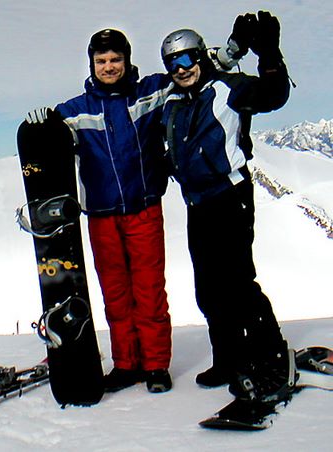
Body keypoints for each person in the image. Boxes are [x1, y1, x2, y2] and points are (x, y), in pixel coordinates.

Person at [25, 28, 242, 394]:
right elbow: (48, 140)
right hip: (101, 215)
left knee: (149, 290)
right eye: (101, 61)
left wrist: (228, 54)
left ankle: (155, 365)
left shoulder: (151, 92)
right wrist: (41, 126)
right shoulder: (75, 111)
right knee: (115, 294)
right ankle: (126, 364)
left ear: (126, 61)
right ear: (92, 65)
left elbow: (191, 71)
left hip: (144, 210)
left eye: (115, 59)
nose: (109, 67)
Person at [159, 11, 296, 401]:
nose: (181, 68)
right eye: (173, 62)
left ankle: (271, 356)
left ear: (200, 56)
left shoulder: (227, 88)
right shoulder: (172, 100)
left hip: (229, 196)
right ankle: (229, 357)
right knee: (208, 287)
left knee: (237, 282)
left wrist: (269, 54)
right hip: (197, 203)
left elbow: (274, 95)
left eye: (187, 58)